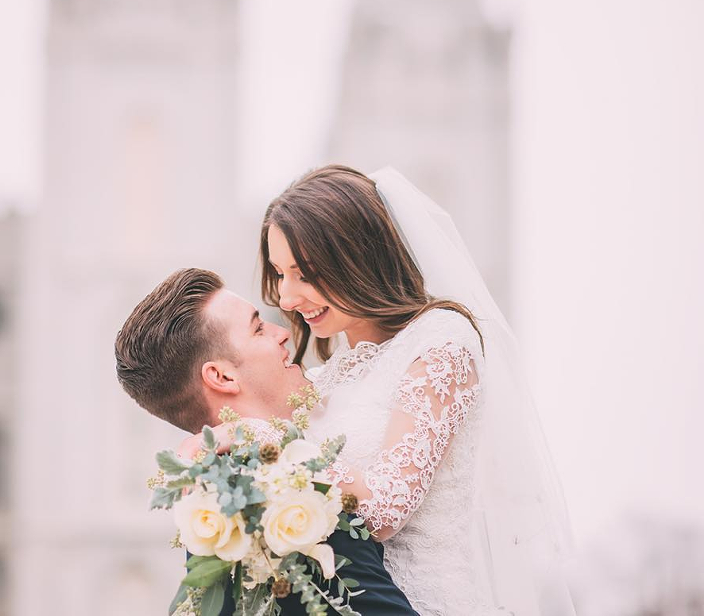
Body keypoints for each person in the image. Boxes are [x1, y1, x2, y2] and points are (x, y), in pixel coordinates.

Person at [257, 164, 577, 616]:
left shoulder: (441, 341)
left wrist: (268, 443)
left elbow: (384, 509)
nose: (287, 298)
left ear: (357, 257)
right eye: (279, 274)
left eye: (303, 274)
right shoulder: (325, 378)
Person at [115, 267, 420, 616]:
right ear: (222, 376)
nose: (283, 334)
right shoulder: (278, 493)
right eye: (259, 328)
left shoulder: (212, 508)